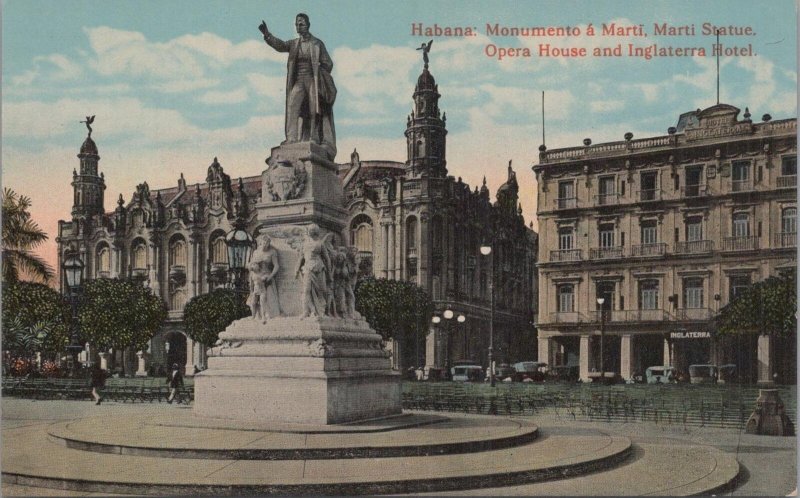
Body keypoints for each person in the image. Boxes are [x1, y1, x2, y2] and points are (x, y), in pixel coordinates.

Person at [259, 14, 337, 159]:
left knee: (314, 110)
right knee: (292, 106)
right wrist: (267, 35)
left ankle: (313, 137)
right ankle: (291, 138)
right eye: (296, 24)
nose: (298, 27)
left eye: (301, 24)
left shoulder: (317, 44)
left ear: (308, 24)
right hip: (299, 81)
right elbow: (281, 45)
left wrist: (319, 72)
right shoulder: (294, 44)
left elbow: (328, 63)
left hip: (312, 80)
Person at [295, 224, 332, 318]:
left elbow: (327, 258)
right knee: (306, 290)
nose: (309, 231)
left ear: (315, 231)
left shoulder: (320, 243)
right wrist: (296, 269)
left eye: (311, 230)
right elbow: (300, 257)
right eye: (309, 230)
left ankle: (322, 311)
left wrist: (330, 273)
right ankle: (307, 311)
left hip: (319, 268)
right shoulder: (304, 244)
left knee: (321, 290)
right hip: (307, 268)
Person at [247, 234, 282, 322]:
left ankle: (268, 316)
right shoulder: (256, 252)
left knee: (267, 298)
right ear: (260, 243)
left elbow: (276, 266)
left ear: (269, 244)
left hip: (267, 277)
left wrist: (270, 276)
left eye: (267, 243)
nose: (265, 245)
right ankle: (255, 316)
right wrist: (252, 270)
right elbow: (250, 265)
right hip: (256, 278)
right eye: (263, 243)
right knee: (254, 300)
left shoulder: (272, 252)